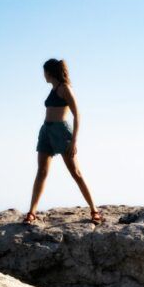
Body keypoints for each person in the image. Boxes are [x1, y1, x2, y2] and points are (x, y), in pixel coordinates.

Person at [24, 58, 103, 225]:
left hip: (61, 132)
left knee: (76, 173)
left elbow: (77, 115)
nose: (43, 75)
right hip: (46, 131)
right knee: (42, 172)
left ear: (49, 72)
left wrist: (74, 140)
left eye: (44, 72)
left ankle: (94, 210)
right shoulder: (53, 89)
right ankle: (32, 212)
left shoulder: (65, 88)